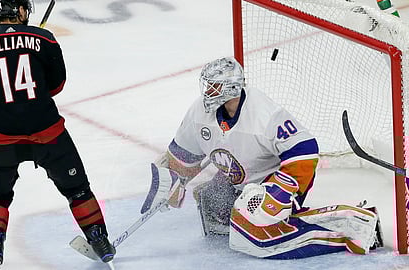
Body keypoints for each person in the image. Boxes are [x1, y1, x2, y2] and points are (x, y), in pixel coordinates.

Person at [140, 56, 383, 259]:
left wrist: (280, 191)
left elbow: (306, 151)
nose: (208, 92)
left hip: (275, 179)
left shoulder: (263, 114)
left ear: (231, 88)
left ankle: (353, 225)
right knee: (210, 205)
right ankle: (278, 221)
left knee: (255, 237)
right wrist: (173, 180)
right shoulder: (199, 113)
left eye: (214, 86)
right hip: (241, 182)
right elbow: (182, 156)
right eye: (207, 85)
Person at [0, 1, 115, 269]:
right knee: (77, 190)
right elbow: (56, 85)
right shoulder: (44, 39)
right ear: (21, 10)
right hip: (48, 134)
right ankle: (99, 240)